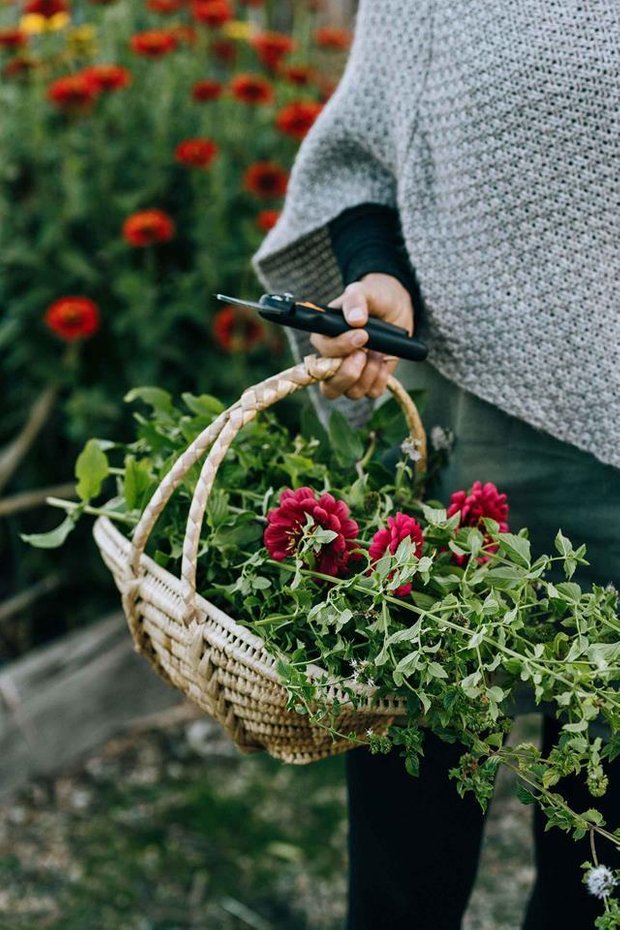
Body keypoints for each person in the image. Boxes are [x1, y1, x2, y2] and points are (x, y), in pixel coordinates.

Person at [251, 3, 620, 927]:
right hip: (473, 440)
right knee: (410, 834)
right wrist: (381, 279)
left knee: (603, 862)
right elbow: (368, 163)